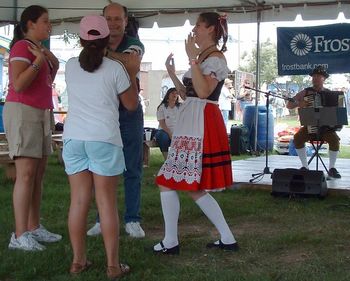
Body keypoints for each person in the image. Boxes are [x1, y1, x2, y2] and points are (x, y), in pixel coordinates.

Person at [153, 12, 238, 255]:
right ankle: (227, 238)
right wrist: (171, 72)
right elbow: (186, 93)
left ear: (211, 29)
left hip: (200, 123)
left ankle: (171, 242)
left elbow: (203, 92)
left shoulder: (215, 59)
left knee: (169, 181)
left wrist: (191, 59)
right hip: (192, 120)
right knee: (191, 185)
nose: (194, 30)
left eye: (199, 26)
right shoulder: (203, 57)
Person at [63, 15, 139, 278]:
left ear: (82, 40)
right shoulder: (115, 69)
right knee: (106, 204)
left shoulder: (71, 66)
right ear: (108, 39)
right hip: (104, 139)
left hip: (74, 139)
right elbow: (131, 105)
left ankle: (78, 261)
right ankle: (113, 266)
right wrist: (130, 70)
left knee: (78, 202)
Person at [3, 5, 61, 252]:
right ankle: (19, 234)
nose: (49, 26)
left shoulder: (40, 49)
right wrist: (39, 60)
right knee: (25, 174)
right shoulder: (20, 47)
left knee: (37, 174)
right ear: (30, 24)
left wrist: (51, 61)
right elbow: (19, 83)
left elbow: (48, 80)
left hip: (41, 111)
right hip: (24, 112)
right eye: (45, 21)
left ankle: (34, 226)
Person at [87, 2, 146, 238]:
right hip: (103, 110)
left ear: (125, 20)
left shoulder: (134, 43)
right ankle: (102, 219)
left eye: (117, 19)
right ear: (102, 20)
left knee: (132, 167)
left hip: (129, 112)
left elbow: (130, 61)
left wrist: (105, 54)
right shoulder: (96, 44)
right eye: (108, 19)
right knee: (102, 169)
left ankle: (132, 219)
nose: (112, 23)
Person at [286, 66, 341, 179]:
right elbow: (289, 104)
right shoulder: (305, 92)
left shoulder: (330, 94)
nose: (315, 78)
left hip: (326, 127)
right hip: (310, 126)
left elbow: (338, 111)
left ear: (323, 79)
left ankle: (332, 168)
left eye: (318, 76)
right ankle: (305, 166)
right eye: (313, 76)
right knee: (297, 138)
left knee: (335, 140)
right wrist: (299, 103)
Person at [155, 87, 181, 159]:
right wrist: (170, 133)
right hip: (165, 131)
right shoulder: (162, 107)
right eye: (173, 93)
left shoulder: (180, 106)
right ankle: (167, 159)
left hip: (177, 131)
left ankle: (179, 158)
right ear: (168, 95)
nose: (175, 95)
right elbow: (162, 123)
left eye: (176, 93)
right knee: (162, 136)